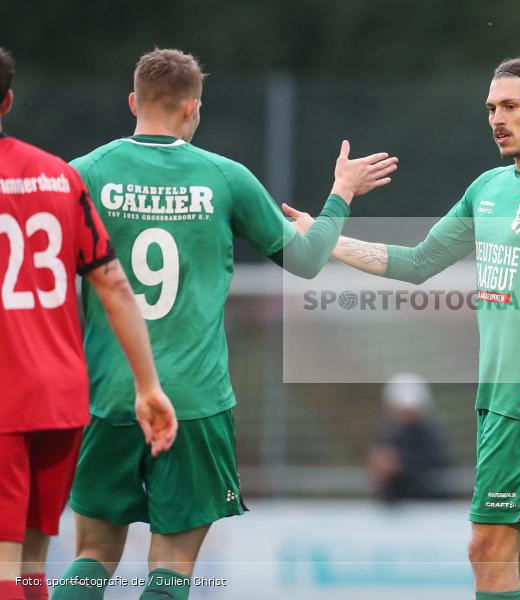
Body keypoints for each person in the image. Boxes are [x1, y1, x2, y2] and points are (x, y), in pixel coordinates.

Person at [285, 56, 520, 600]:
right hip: (499, 399)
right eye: (491, 108)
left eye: (511, 106)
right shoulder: (488, 188)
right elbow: (418, 261)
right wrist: (329, 236)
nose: (497, 118)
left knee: (488, 549)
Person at [51, 48, 397, 600]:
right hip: (194, 401)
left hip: (109, 395)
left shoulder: (82, 174)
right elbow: (306, 261)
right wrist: (342, 194)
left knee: (93, 554)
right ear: (193, 109)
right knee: (172, 569)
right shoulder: (224, 178)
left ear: (134, 101)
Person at [0, 47, 177, 600]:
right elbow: (116, 286)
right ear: (7, 100)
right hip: (60, 400)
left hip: (5, 398)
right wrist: (148, 386)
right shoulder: (58, 176)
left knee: (4, 568)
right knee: (30, 564)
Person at [368, 373, 448, 502]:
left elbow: (434, 466)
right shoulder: (386, 432)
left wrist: (398, 465)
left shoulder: (430, 433)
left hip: (428, 505)